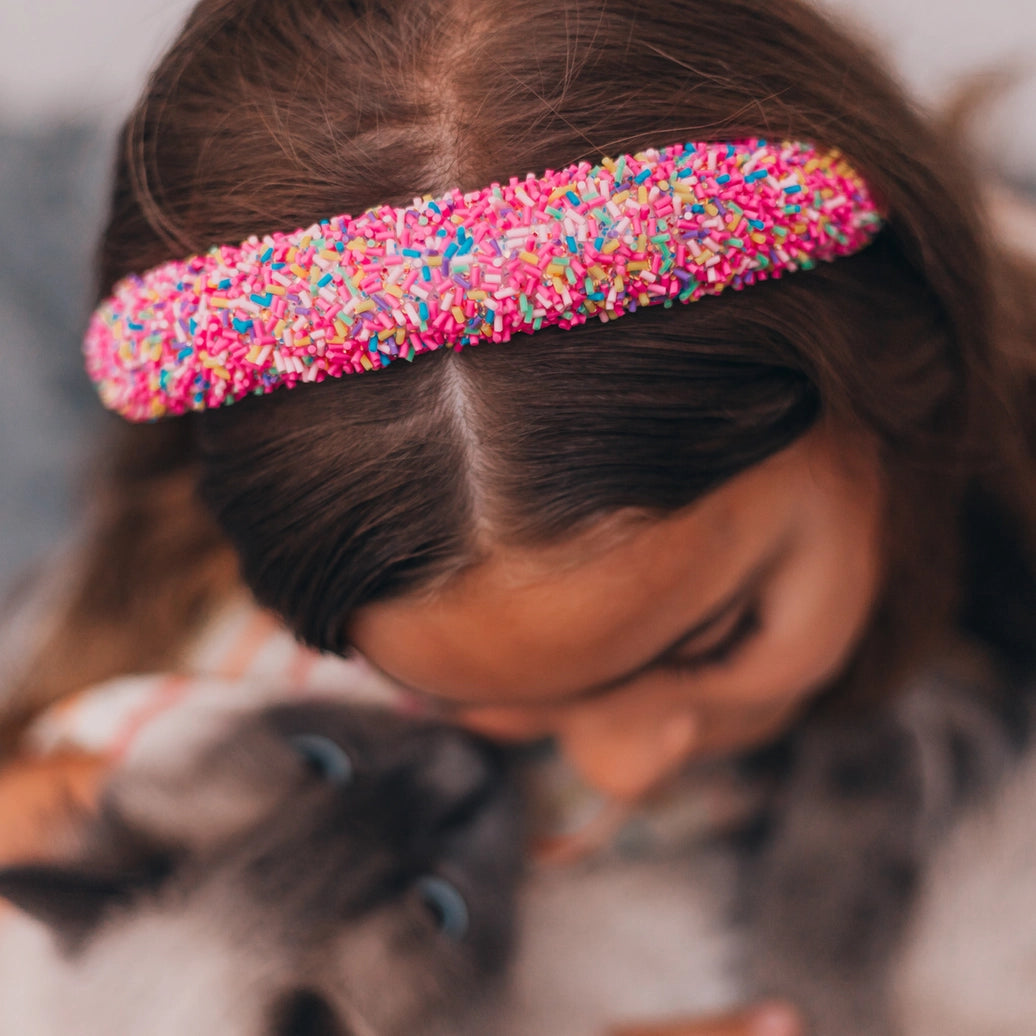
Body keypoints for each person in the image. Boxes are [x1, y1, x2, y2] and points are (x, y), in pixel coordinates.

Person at [2, 0, 1035, 1032]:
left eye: (716, 638)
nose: (621, 771)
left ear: (909, 378)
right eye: (471, 698)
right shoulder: (171, 690)